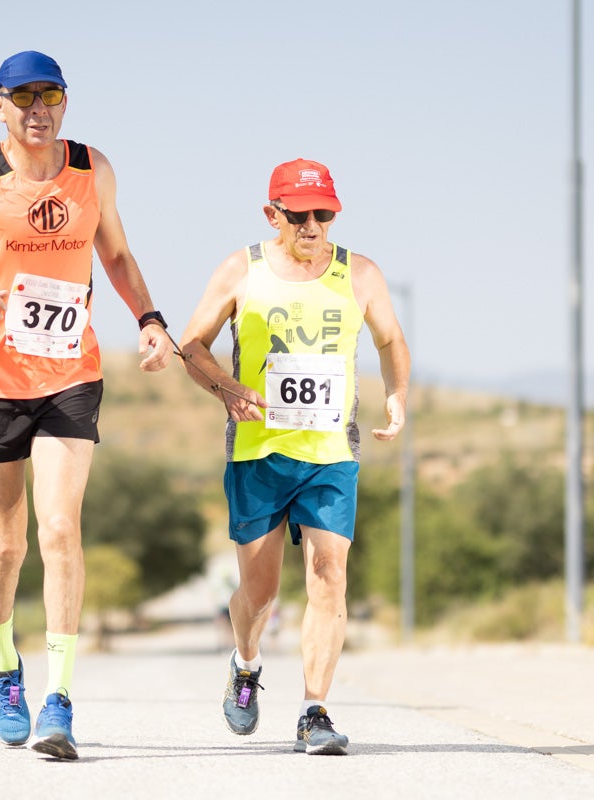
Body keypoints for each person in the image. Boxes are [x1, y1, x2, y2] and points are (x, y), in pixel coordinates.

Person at [0, 49, 173, 759]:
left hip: (70, 374)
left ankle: (60, 700)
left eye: (48, 94)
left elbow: (115, 255)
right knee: (7, 544)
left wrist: (149, 319)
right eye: (21, 98)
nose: (37, 108)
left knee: (59, 529)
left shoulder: (93, 169)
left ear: (64, 101)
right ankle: (3, 666)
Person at [178, 158, 410, 756]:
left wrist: (398, 396)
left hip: (330, 452)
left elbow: (389, 340)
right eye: (300, 215)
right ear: (272, 214)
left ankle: (314, 710)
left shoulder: (360, 273)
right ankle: (247, 662)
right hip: (258, 450)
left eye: (323, 214)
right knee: (260, 591)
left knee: (331, 577)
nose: (312, 226)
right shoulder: (241, 269)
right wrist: (228, 389)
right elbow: (193, 344)